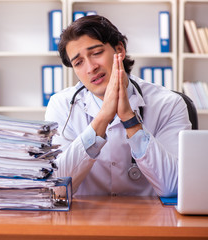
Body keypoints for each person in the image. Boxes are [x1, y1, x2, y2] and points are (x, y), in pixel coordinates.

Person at [45, 15, 191, 197]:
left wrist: (130, 120)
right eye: (78, 62)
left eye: (96, 53)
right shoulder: (62, 106)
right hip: (84, 222)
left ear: (119, 50)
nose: (90, 68)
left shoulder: (168, 104)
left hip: (151, 221)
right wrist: (102, 119)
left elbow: (175, 187)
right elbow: (56, 189)